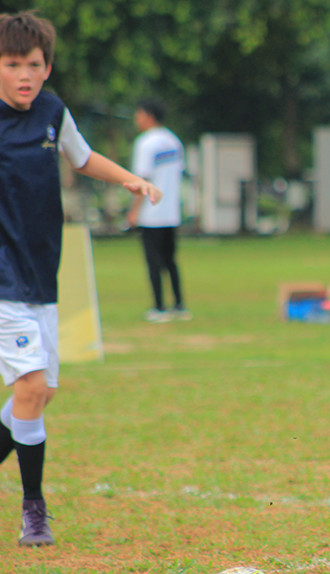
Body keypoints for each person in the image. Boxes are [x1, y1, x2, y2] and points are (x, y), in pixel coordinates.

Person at [0, 11, 162, 546]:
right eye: (12, 64)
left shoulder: (51, 111)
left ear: (47, 69)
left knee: (39, 395)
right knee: (30, 387)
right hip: (3, 281)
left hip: (43, 274)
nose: (24, 74)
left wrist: (132, 180)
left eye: (34, 64)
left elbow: (83, 156)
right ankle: (34, 510)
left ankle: (32, 503)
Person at [127, 98, 189, 323]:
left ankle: (159, 307)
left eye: (139, 114)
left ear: (148, 115)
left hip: (151, 214)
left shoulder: (145, 143)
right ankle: (180, 305)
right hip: (171, 212)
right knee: (171, 260)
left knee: (153, 262)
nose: (137, 119)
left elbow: (143, 180)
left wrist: (133, 211)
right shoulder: (174, 141)